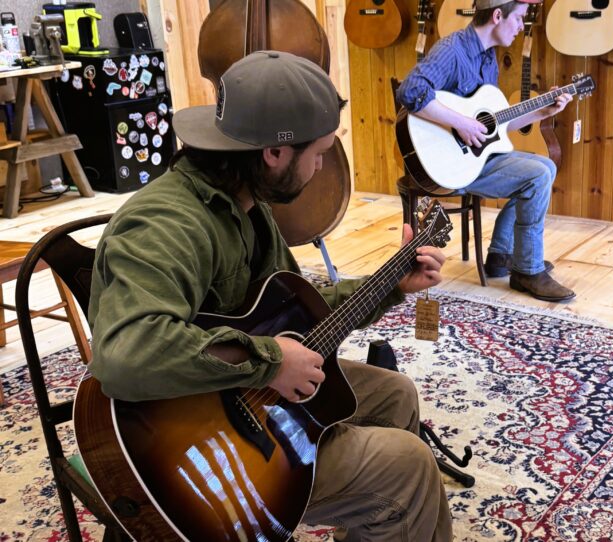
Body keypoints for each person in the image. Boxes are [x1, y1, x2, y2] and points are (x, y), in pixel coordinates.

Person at [87, 51, 452, 542]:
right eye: (319, 152)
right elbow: (126, 354)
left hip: (249, 399)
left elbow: (295, 308)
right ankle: (389, 498)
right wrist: (271, 360)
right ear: (275, 153)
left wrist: (391, 284)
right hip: (201, 448)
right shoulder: (166, 223)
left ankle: (378, 518)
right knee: (410, 466)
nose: (322, 166)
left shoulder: (248, 204)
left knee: (395, 392)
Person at [397, 0, 576, 302]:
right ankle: (527, 270)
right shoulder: (452, 50)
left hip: (475, 160)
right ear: (497, 16)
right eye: (519, 18)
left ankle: (501, 255)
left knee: (546, 167)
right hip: (447, 165)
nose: (522, 27)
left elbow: (495, 123)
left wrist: (542, 111)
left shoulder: (488, 57)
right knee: (537, 178)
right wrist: (461, 124)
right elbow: (411, 91)